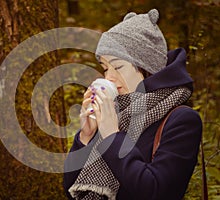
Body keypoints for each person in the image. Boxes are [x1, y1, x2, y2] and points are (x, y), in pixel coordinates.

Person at [63, 9, 202, 200]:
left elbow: (157, 192)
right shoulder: (114, 112)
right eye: (105, 68)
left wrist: (112, 137)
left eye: (118, 66)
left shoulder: (183, 120)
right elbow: (71, 191)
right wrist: (86, 138)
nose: (109, 78)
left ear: (146, 67)